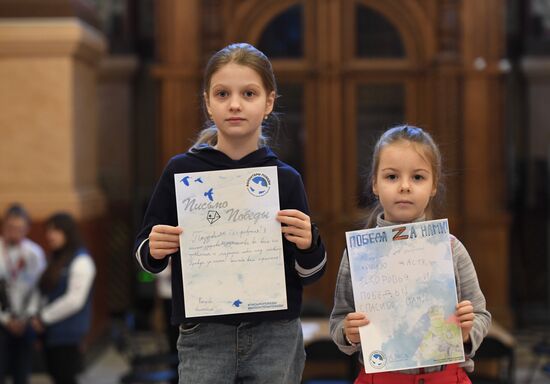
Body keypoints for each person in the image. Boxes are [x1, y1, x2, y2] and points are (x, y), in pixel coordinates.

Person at [134, 43, 326, 383]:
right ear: (207, 102)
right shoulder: (181, 172)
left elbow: (309, 273)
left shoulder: (285, 180)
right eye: (223, 94)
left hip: (276, 336)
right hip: (205, 333)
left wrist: (309, 243)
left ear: (268, 102)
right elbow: (147, 260)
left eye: (248, 93)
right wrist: (153, 247)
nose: (235, 104)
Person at [329, 125, 491, 383]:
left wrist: (467, 331)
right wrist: (348, 333)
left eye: (418, 177)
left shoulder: (451, 249)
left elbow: (481, 315)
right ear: (374, 184)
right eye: (392, 177)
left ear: (434, 185)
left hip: (445, 377)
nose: (404, 186)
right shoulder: (360, 255)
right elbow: (338, 320)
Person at [30, 213, 96, 384]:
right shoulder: (55, 258)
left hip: (68, 334)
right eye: (49, 230)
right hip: (51, 333)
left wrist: (44, 317)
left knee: (66, 377)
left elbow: (74, 300)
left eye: (56, 230)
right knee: (57, 376)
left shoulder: (81, 260)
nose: (50, 235)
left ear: (68, 232)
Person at [0, 203, 46, 384]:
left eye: (20, 228)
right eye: (11, 227)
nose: (15, 232)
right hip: (2, 321)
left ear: (27, 228)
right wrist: (5, 319)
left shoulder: (34, 253)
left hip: (24, 321)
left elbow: (38, 288)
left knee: (22, 372)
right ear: (4, 226)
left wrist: (27, 317)